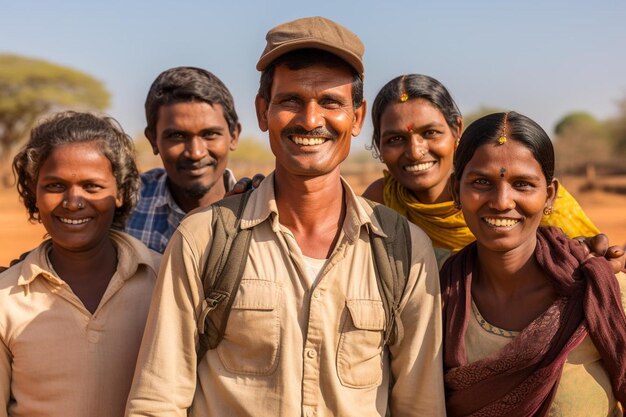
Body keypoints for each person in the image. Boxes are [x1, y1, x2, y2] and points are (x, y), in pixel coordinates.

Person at [126, 16, 445, 416]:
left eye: (331, 102)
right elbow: (157, 401)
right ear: (263, 112)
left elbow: (421, 406)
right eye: (291, 100)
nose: (311, 120)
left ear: (358, 118)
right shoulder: (203, 239)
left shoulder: (403, 249)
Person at [440, 111, 625, 416]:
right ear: (455, 191)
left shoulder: (603, 292)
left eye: (523, 184)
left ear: (549, 196)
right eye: (481, 182)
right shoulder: (435, 296)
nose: (501, 201)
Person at [0, 112, 160, 417]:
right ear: (34, 192)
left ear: (121, 193)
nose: (73, 201)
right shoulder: (5, 298)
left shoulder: (165, 281)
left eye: (92, 186)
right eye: (55, 186)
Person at [363, 74, 607, 256]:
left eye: (430, 133)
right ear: (378, 144)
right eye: (395, 139)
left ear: (456, 130)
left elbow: (591, 255)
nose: (415, 152)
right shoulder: (379, 203)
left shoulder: (534, 197)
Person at [126, 66, 246, 253]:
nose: (196, 153)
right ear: (153, 140)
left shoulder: (259, 209)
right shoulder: (125, 204)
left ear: (233, 136)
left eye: (210, 134)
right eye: (177, 136)